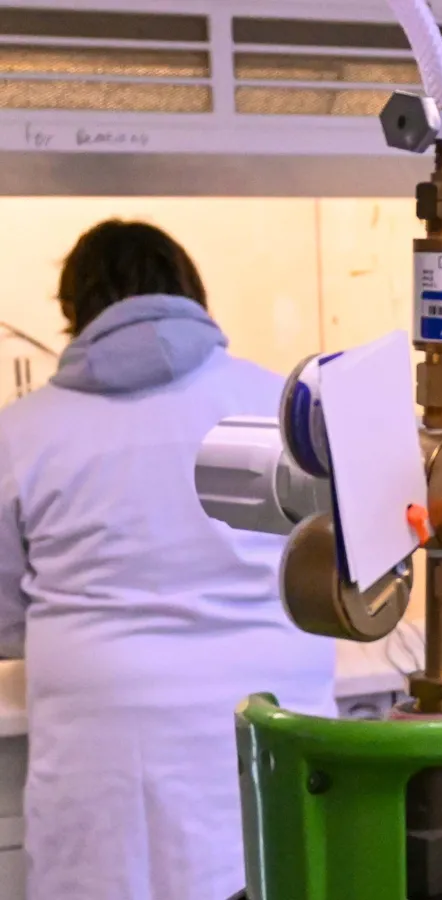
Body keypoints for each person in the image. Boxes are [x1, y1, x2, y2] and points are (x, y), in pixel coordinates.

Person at [0, 220, 338, 900]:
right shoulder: (285, 409)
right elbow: (340, 567)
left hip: (103, 757)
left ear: (75, 313)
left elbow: (6, 617)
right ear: (193, 295)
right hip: (275, 730)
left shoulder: (21, 431)